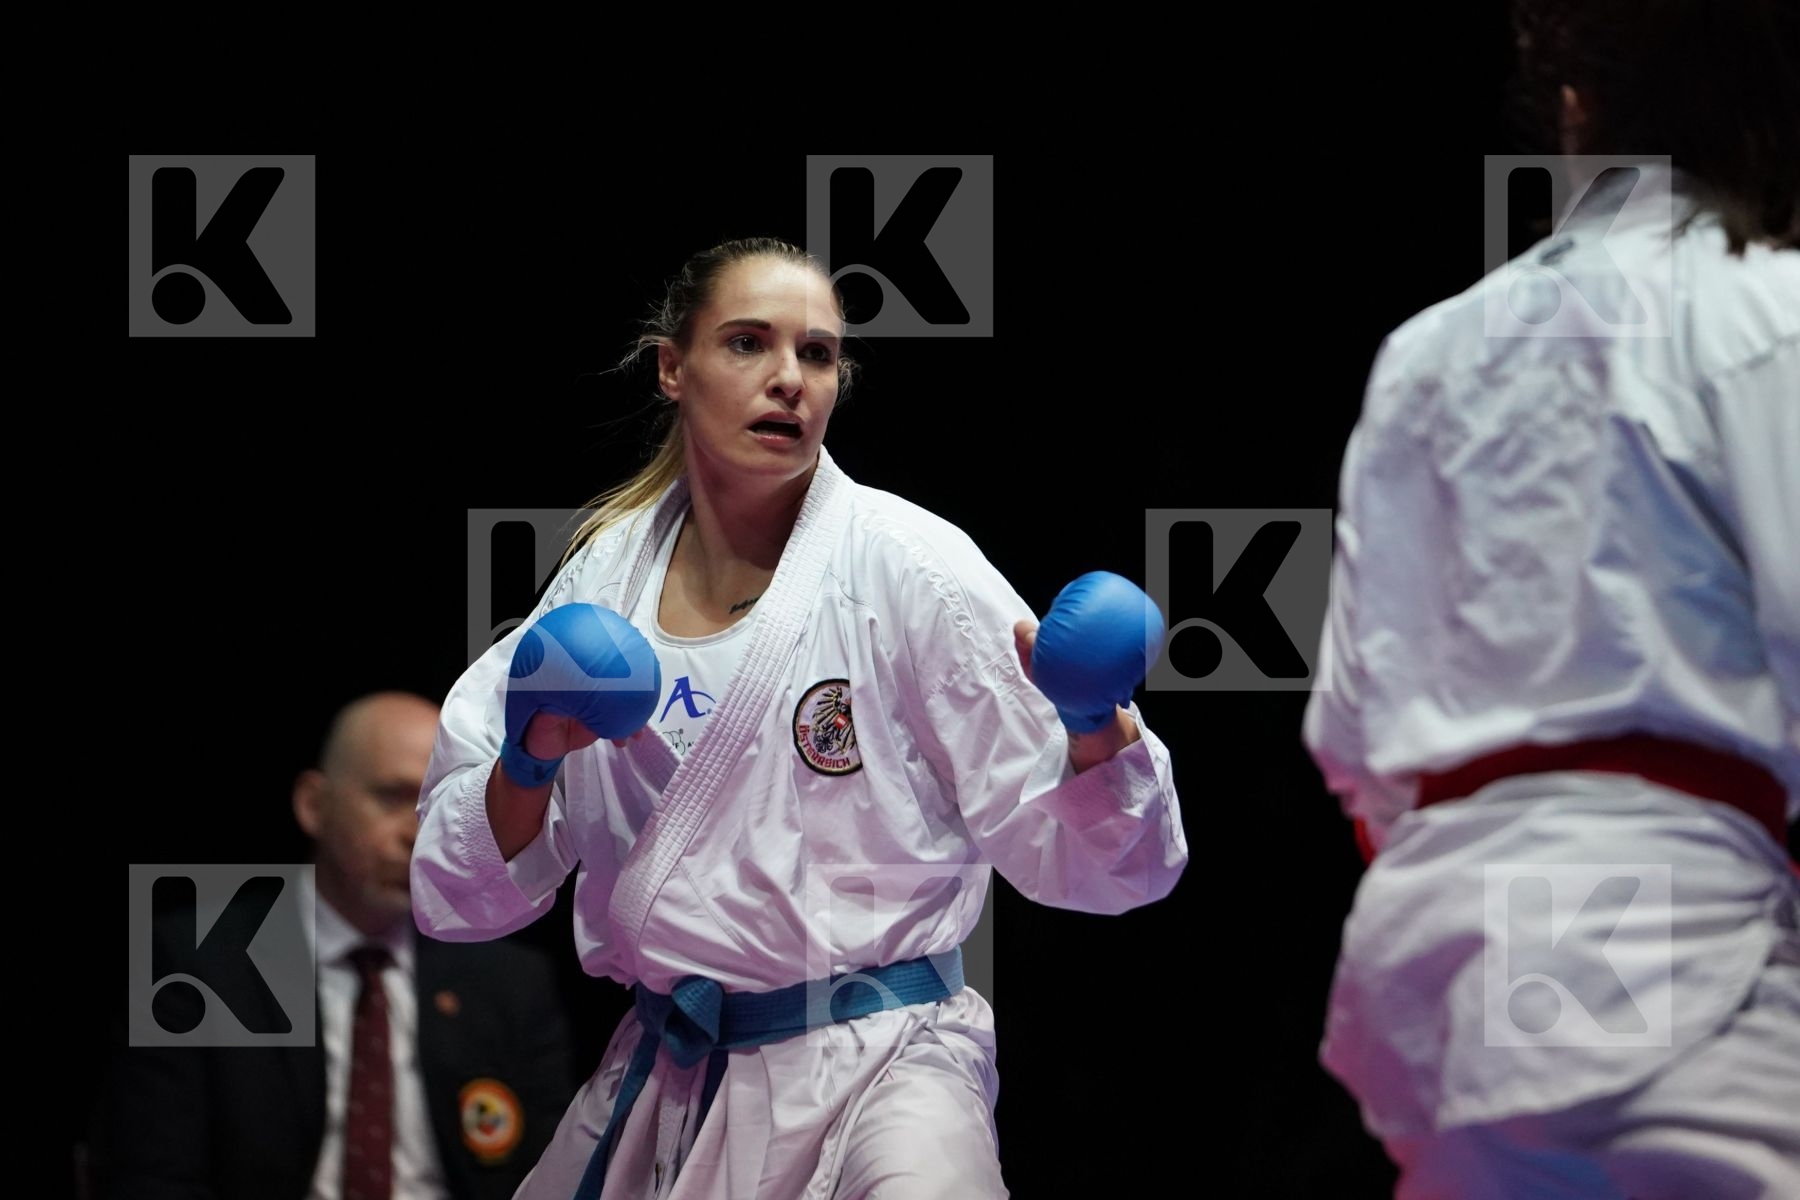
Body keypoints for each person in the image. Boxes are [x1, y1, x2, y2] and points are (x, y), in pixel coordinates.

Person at [410, 236, 1189, 1198]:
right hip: (674, 1070)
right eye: (748, 343)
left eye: (817, 354)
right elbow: (459, 896)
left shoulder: (910, 566)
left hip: (886, 1065)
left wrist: (1092, 723)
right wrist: (529, 760)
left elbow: (1119, 873)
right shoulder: (602, 583)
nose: (789, 378)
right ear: (671, 368)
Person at [1303, 2, 1799, 1197]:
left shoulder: (1422, 354)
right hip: (1678, 957)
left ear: (1574, 106)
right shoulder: (1765, 310)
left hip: (1443, 985)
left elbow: (1350, 735)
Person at [97, 692, 581, 1200]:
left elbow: (548, 1178)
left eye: (441, 803)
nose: (418, 832)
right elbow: (152, 1177)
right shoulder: (199, 962)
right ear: (314, 805)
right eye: (393, 797)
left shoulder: (509, 981)